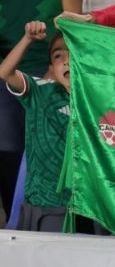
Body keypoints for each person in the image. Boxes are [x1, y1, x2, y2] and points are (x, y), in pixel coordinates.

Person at [0, 0, 84, 222]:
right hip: (7, 68)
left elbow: (72, 21)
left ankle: (51, 223)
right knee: (7, 151)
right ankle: (16, 223)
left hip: (49, 73)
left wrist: (56, 70)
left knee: (50, 155)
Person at [0, 22, 71, 231]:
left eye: (72, 53)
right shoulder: (40, 91)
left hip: (90, 205)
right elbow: (5, 72)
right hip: (47, 204)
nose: (66, 61)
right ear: (51, 69)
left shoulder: (100, 100)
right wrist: (28, 39)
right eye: (58, 56)